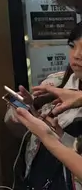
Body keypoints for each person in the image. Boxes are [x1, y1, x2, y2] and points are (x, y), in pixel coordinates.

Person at [5, 24, 82, 189]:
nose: (77, 55)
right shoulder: (55, 82)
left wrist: (52, 137)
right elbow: (18, 132)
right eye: (72, 46)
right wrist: (26, 112)